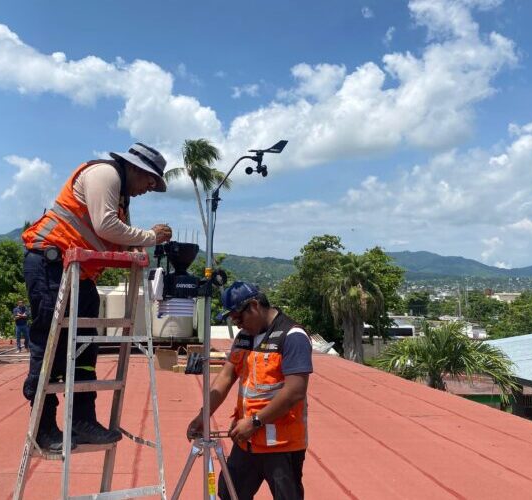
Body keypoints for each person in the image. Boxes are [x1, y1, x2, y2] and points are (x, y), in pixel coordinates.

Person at [21, 142, 173, 453]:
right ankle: (43, 426)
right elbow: (107, 226)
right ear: (135, 169)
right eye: (149, 180)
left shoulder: (121, 198)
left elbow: (122, 240)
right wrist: (150, 237)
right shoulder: (105, 175)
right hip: (51, 265)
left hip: (79, 272)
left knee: (85, 348)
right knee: (52, 343)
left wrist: (144, 244)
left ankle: (82, 420)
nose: (149, 187)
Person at [186, 281, 313, 500]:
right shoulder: (244, 338)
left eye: (239, 318)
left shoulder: (292, 336)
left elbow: (295, 391)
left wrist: (255, 422)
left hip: (281, 446)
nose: (237, 325)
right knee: (229, 496)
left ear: (254, 305)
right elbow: (226, 377)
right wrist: (203, 415)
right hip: (247, 443)